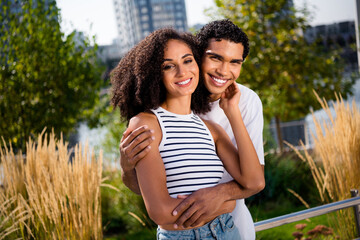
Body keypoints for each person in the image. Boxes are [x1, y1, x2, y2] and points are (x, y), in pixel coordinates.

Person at [111, 28, 264, 239]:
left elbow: (255, 181)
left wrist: (232, 111)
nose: (182, 72)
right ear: (154, 74)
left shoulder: (212, 128)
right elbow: (161, 212)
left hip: (229, 232)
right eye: (168, 66)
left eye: (187, 61)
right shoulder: (146, 124)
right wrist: (225, 204)